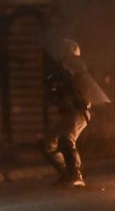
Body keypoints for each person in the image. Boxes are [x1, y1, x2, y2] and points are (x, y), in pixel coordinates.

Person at [44, 39, 110, 186]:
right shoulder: (63, 68)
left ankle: (75, 175)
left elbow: (78, 82)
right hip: (68, 113)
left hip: (78, 111)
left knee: (67, 140)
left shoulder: (74, 65)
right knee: (48, 143)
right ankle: (66, 174)